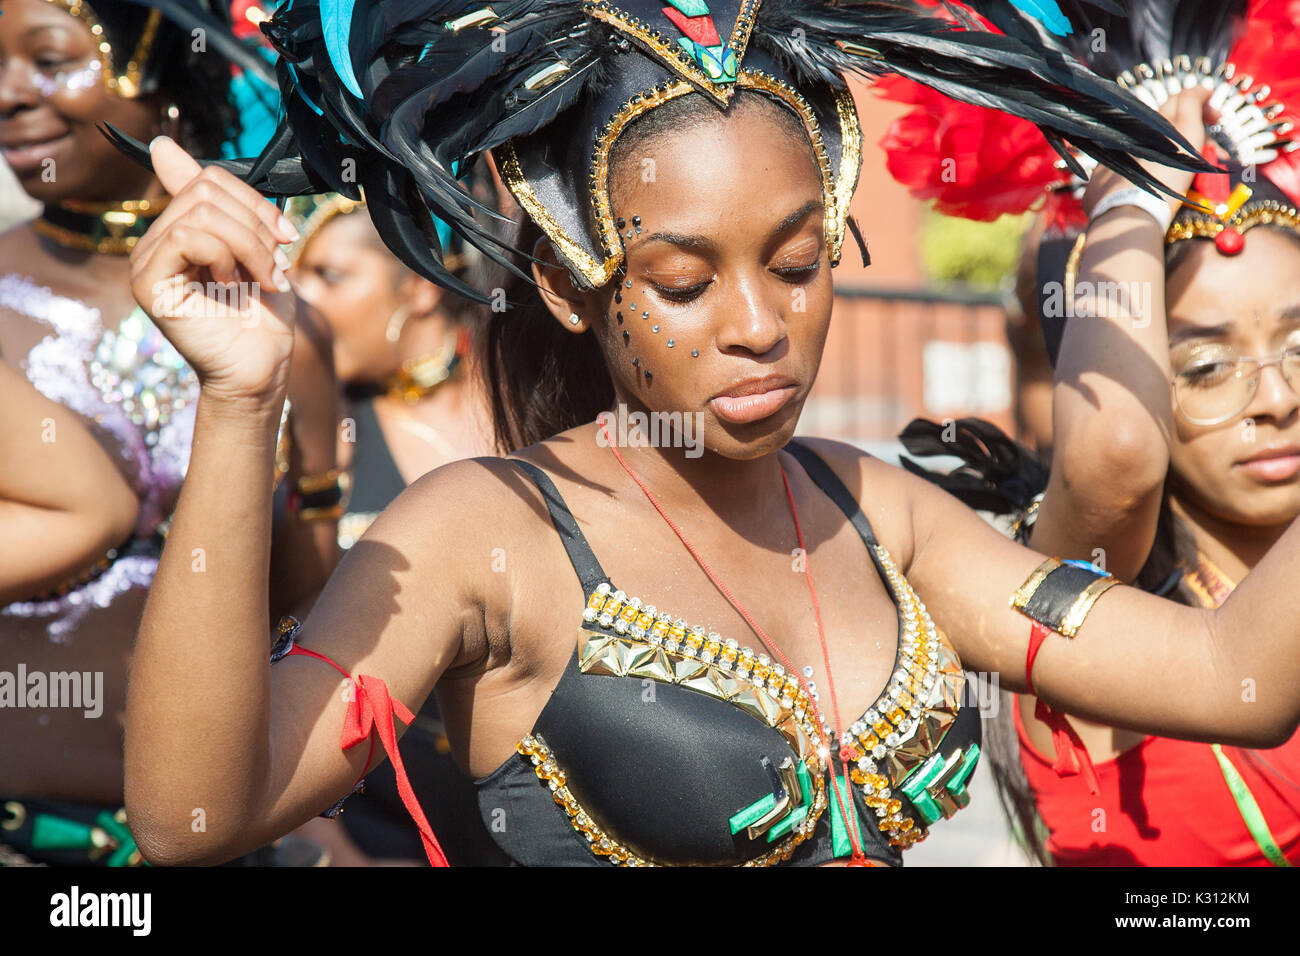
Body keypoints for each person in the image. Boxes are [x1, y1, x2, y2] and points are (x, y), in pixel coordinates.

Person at [119, 0, 1300, 869]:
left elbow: (1233, 675)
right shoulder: (488, 535)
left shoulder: (872, 508)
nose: (758, 327)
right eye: (683, 282)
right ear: (570, 284)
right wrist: (238, 402)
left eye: (796, 264)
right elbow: (194, 817)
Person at [889, 0, 1300, 866]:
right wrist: (1127, 206)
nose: (1275, 398)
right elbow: (1113, 453)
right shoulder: (1092, 599)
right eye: (1205, 368)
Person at [0, 0, 336, 866]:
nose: (8, 94)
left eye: (49, 58)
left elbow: (305, 613)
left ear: (167, 69)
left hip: (224, 844)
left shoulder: (279, 320)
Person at [285, 194, 506, 865]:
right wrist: (321, 841)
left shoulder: (532, 411)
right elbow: (271, 658)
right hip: (375, 834)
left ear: (417, 285)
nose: (299, 299)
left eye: (329, 275)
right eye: (294, 275)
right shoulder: (320, 441)